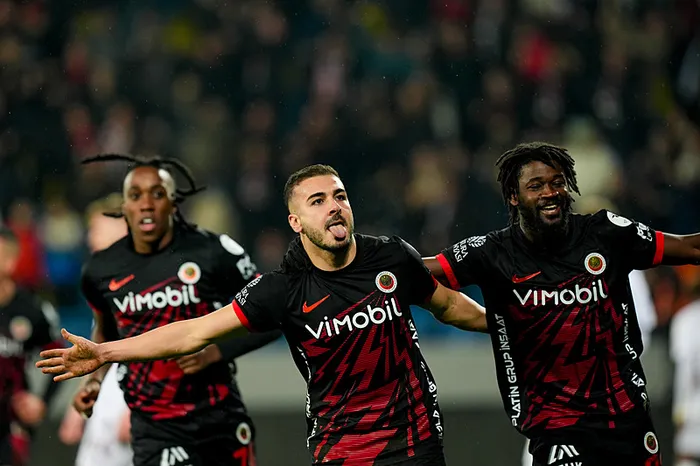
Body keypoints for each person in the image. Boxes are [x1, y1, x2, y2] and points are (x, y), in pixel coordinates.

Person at [38, 164, 488, 466]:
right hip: (341, 448)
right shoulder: (282, 288)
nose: (334, 206)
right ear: (296, 222)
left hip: (416, 440)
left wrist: (508, 324)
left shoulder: (391, 257)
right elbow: (193, 332)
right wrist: (105, 353)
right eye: (317, 201)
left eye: (340, 196)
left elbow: (450, 306)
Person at [424, 142, 700, 466]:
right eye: (536, 186)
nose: (550, 193)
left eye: (557, 182)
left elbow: (688, 248)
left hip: (627, 420)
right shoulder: (494, 253)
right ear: (513, 196)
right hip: (558, 430)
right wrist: (374, 260)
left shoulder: (605, 233)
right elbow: (416, 273)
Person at [61, 154, 282, 466]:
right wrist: (95, 382)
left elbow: (273, 314)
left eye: (157, 193)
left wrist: (216, 351)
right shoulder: (100, 270)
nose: (146, 204)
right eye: (135, 195)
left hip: (220, 418)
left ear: (174, 203)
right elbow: (107, 330)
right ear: (124, 207)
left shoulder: (214, 252)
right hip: (155, 426)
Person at [58, 193, 132, 466]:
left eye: (96, 228)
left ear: (122, 226)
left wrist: (135, 410)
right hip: (110, 392)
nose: (90, 237)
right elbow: (100, 346)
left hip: (139, 399)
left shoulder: (149, 280)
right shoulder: (103, 280)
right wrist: (79, 403)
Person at [0, 227, 62, 466]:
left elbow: (60, 357)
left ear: (10, 262)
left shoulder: (32, 310)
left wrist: (41, 401)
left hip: (10, 423)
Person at [670, 276, 700, 466]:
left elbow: (684, 371)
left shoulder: (685, 318)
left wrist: (679, 411)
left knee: (687, 458)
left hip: (693, 410)